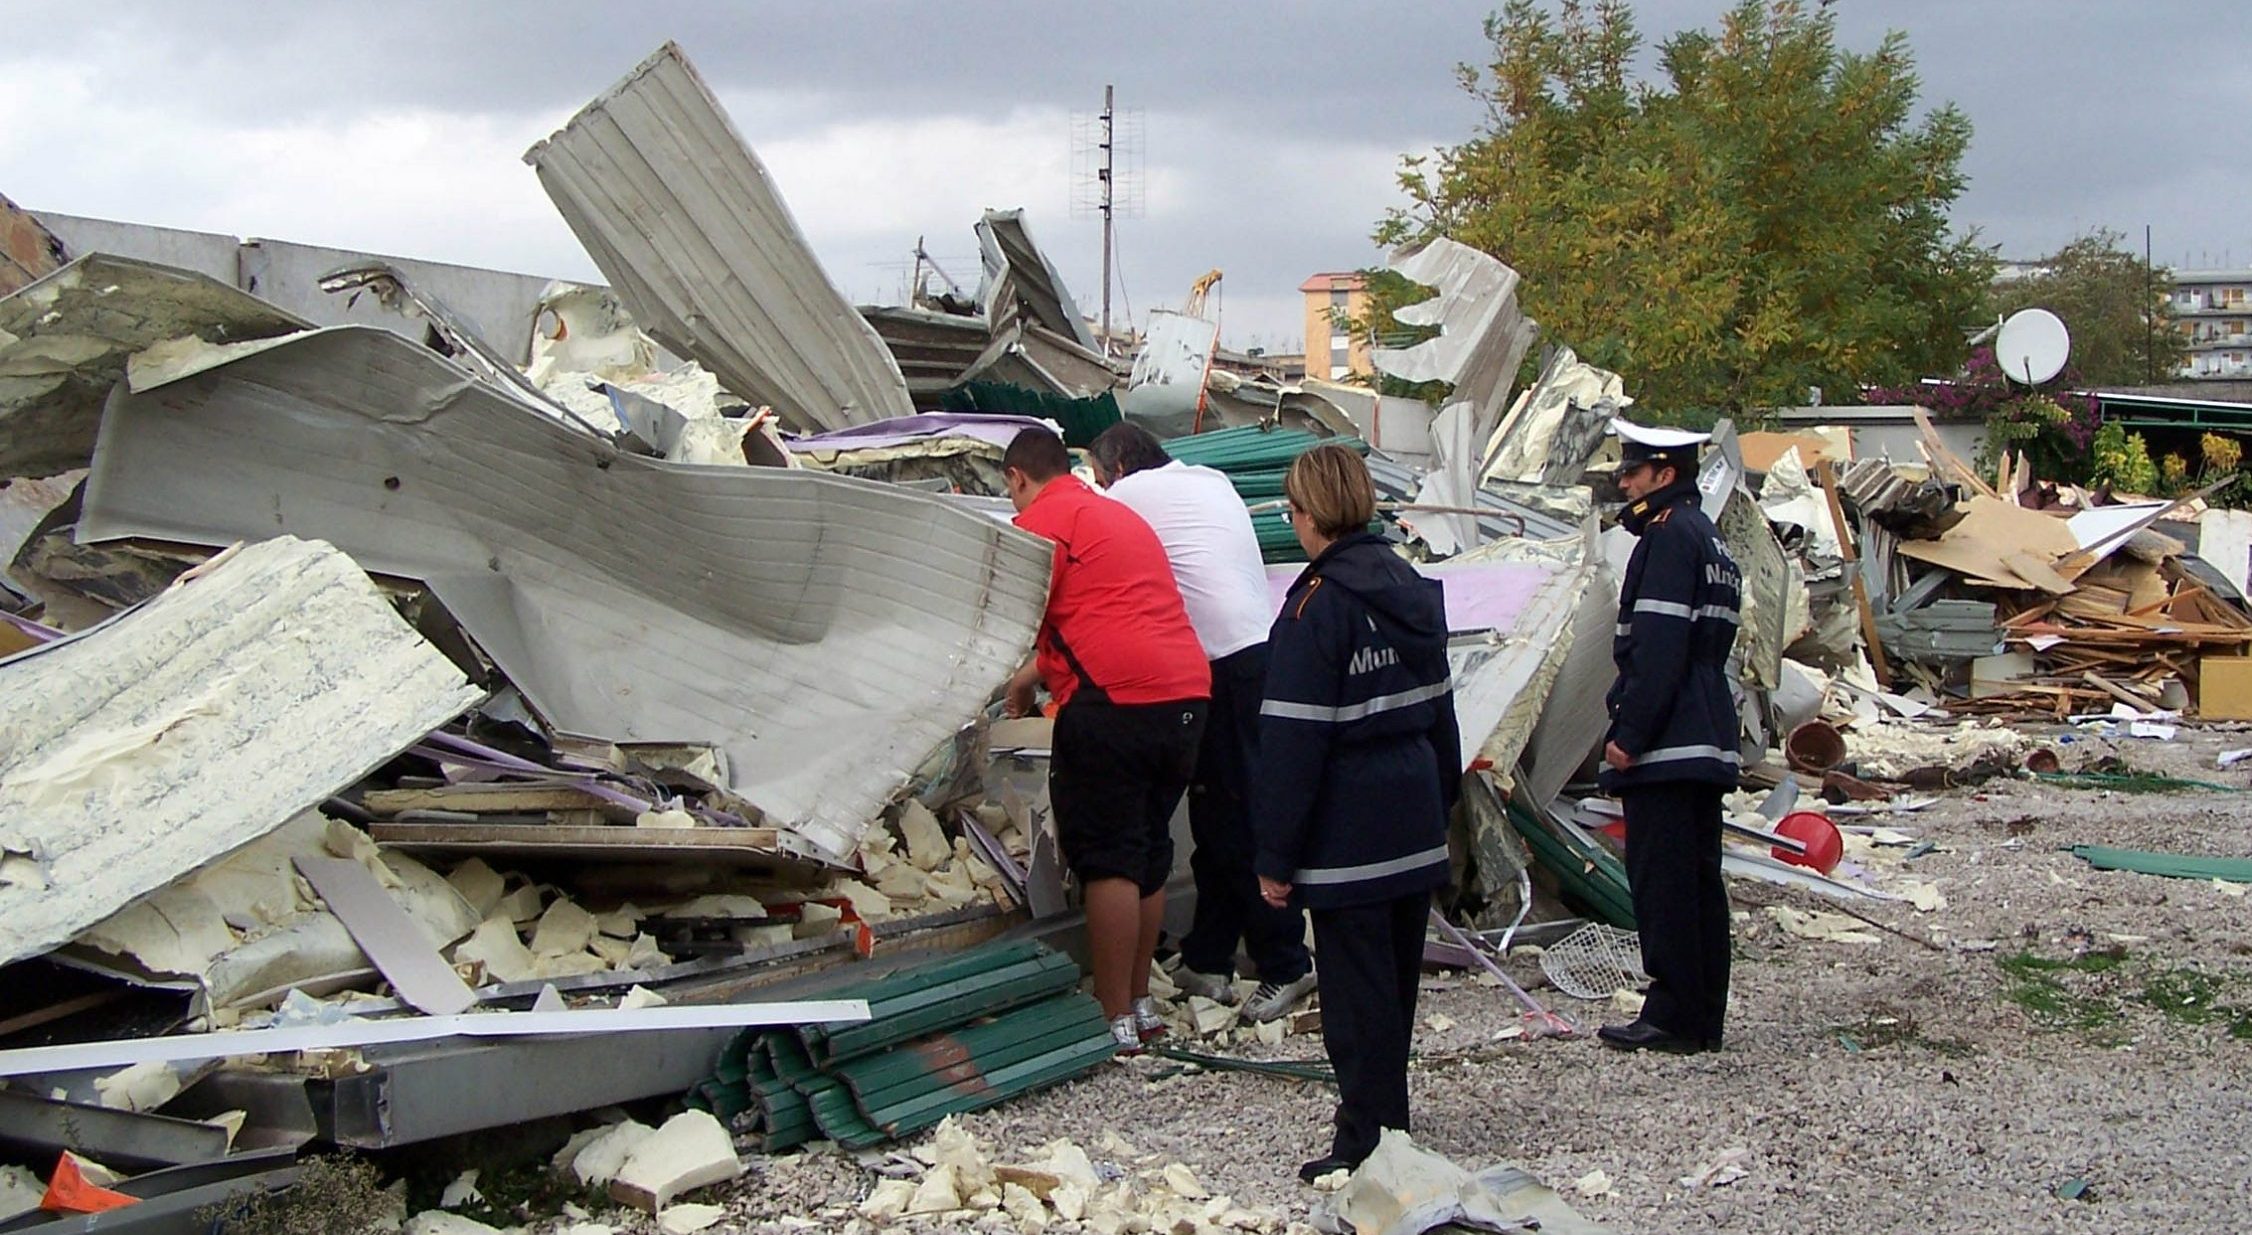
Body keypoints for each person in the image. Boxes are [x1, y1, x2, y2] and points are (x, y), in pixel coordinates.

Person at [1250, 444, 1459, 1183]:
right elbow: (1442, 712)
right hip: (1411, 813)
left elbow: (1291, 744)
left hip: (1348, 830)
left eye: (1293, 512)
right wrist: (1444, 810)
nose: (1294, 524)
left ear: (1310, 516)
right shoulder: (1408, 585)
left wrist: (1275, 857)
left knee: (1352, 992)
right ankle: (1388, 1121)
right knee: (1394, 986)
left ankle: (1365, 1138)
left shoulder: (1315, 607)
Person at [1087, 422, 1317, 1025]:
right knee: (1218, 811)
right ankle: (1208, 957)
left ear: (1113, 470)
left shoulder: (1123, 497)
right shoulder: (1209, 479)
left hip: (1221, 666)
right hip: (1257, 654)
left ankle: (1287, 963)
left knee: (1239, 818)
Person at [1000, 426, 1211, 1054]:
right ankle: (1141, 1003)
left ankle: (1111, 1017)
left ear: (1017, 479)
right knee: (1147, 852)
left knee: (1109, 858)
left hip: (1116, 702)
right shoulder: (1117, 516)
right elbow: (1114, 611)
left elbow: (1006, 623)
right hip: (1187, 696)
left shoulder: (1037, 527)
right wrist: (1033, 678)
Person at [1596, 418, 1743, 1054]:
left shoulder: (1665, 539)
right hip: (1706, 730)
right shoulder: (1710, 538)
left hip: (1669, 739)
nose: (1624, 483)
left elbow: (1656, 649)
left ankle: (1672, 1015)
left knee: (1664, 882)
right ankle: (1702, 1011)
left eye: (1633, 470)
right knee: (1700, 881)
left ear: (1665, 474)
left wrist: (1630, 733)